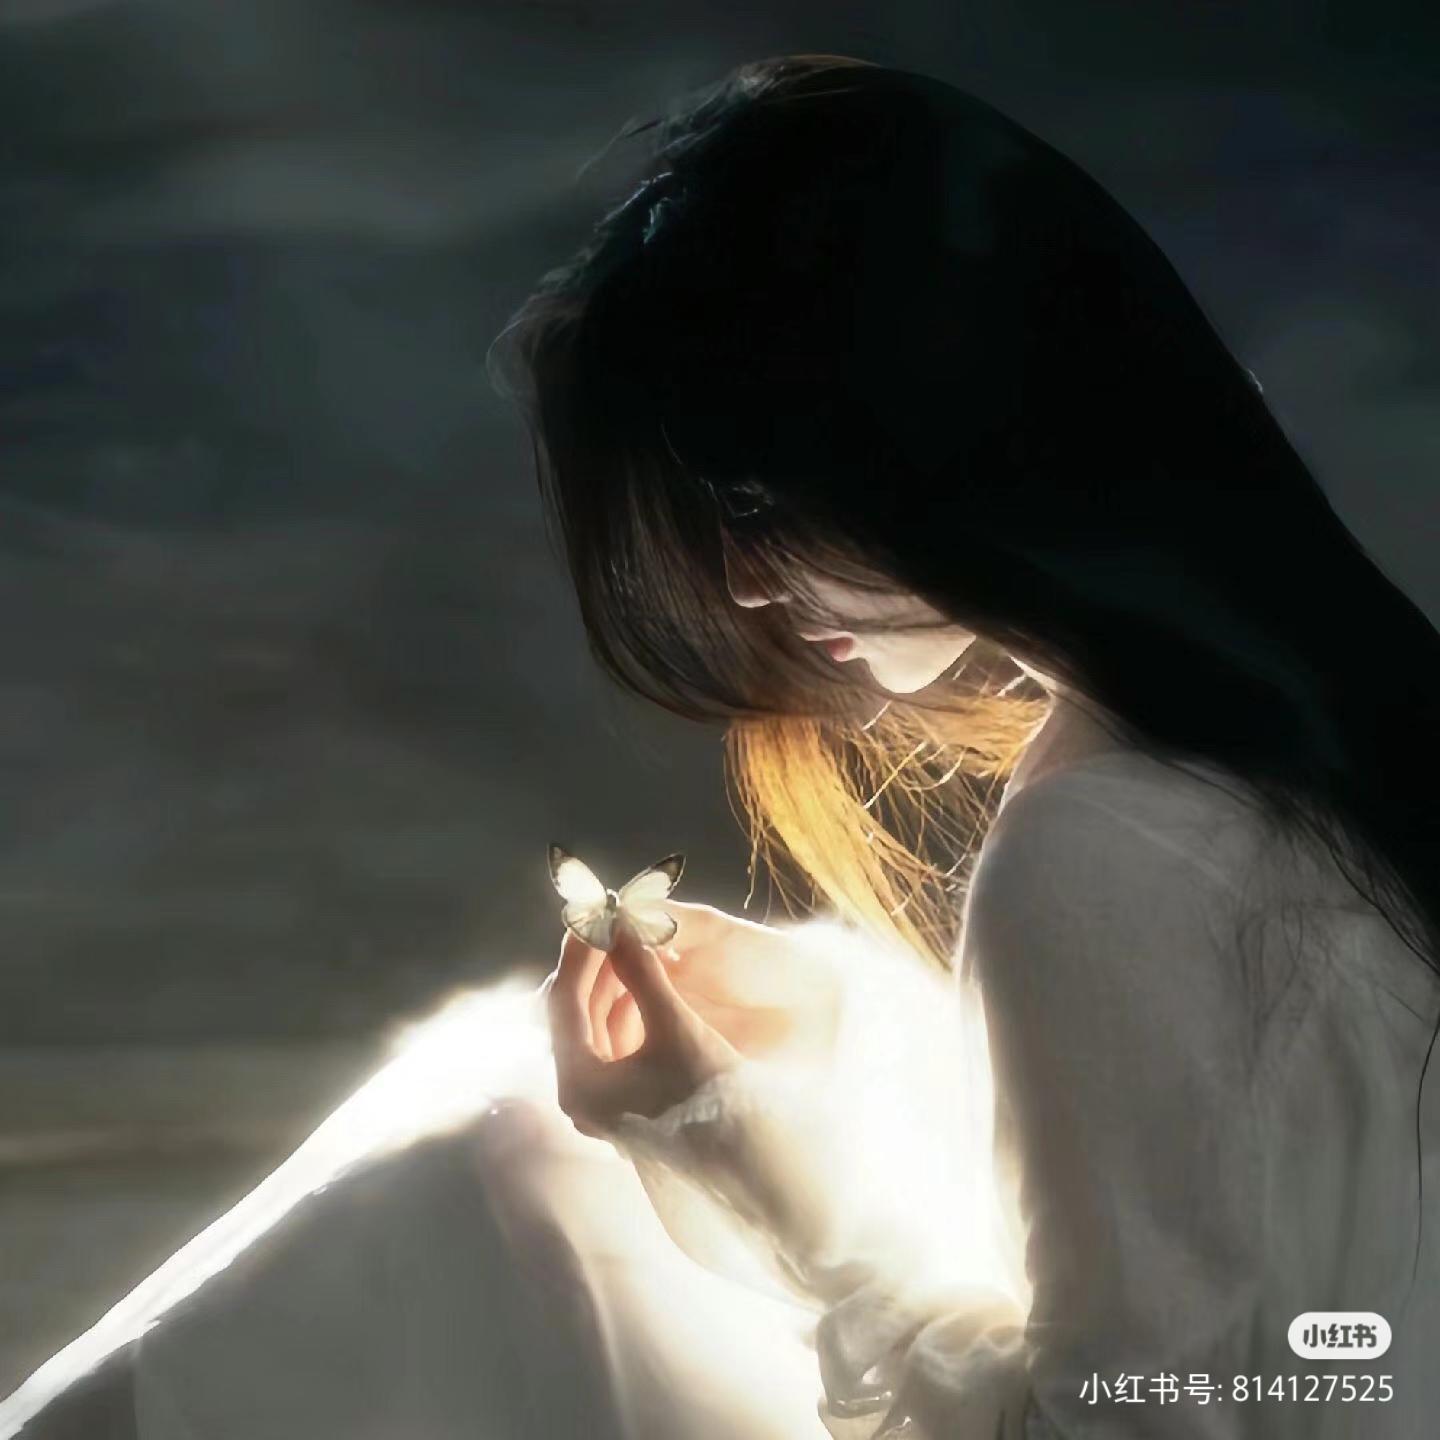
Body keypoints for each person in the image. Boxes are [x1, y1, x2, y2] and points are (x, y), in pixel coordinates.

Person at [7, 50, 1440, 1440]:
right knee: (512, 1136)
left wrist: (763, 1184)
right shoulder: (1333, 723)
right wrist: (838, 1036)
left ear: (948, 442)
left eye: (757, 504)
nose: (745, 585)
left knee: (505, 1156)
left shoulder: (1108, 840)